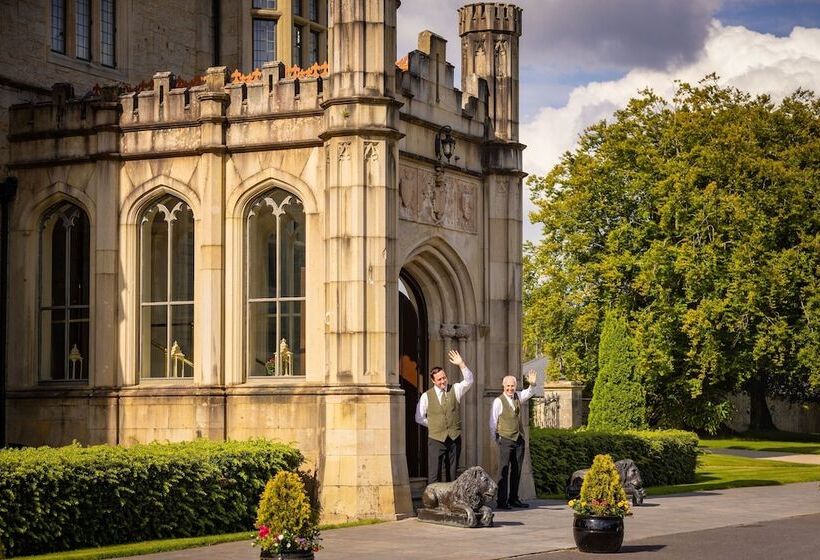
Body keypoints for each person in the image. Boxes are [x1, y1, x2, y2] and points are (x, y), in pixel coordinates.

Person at [415, 349, 474, 484]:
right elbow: (419, 417)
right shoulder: (426, 396)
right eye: (439, 379)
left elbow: (469, 381)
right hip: (436, 439)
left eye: (444, 377)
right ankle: (433, 503)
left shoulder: (456, 389)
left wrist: (461, 364)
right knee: (434, 473)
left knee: (452, 473)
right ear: (433, 381)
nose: (443, 381)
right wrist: (435, 425)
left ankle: (451, 501)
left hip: (454, 438)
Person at [489, 369, 541, 509]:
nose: (510, 388)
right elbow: (492, 422)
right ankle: (502, 501)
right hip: (505, 439)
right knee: (504, 471)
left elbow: (529, 393)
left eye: (512, 386)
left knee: (516, 470)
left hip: (518, 439)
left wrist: (533, 384)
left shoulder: (518, 396)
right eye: (508, 386)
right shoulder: (498, 402)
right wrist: (497, 438)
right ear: (503, 386)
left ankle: (513, 499)